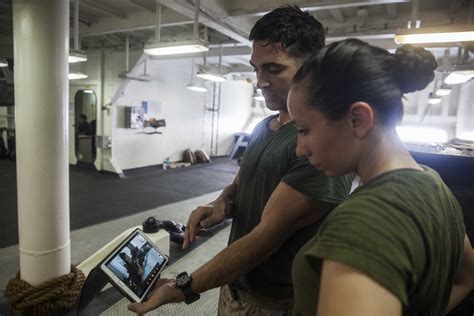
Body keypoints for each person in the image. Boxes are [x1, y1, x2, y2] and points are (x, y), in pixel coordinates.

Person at [128, 5, 353, 315]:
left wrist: (183, 287)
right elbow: (241, 182)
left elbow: (265, 238)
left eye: (274, 69)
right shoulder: (264, 126)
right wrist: (221, 204)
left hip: (277, 301)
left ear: (312, 68)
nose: (259, 81)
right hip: (235, 284)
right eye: (256, 68)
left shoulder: (319, 145)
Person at [287, 38, 474, 315]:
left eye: (303, 130)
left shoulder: (365, 220)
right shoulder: (434, 184)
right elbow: (466, 277)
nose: (299, 149)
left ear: (358, 119)